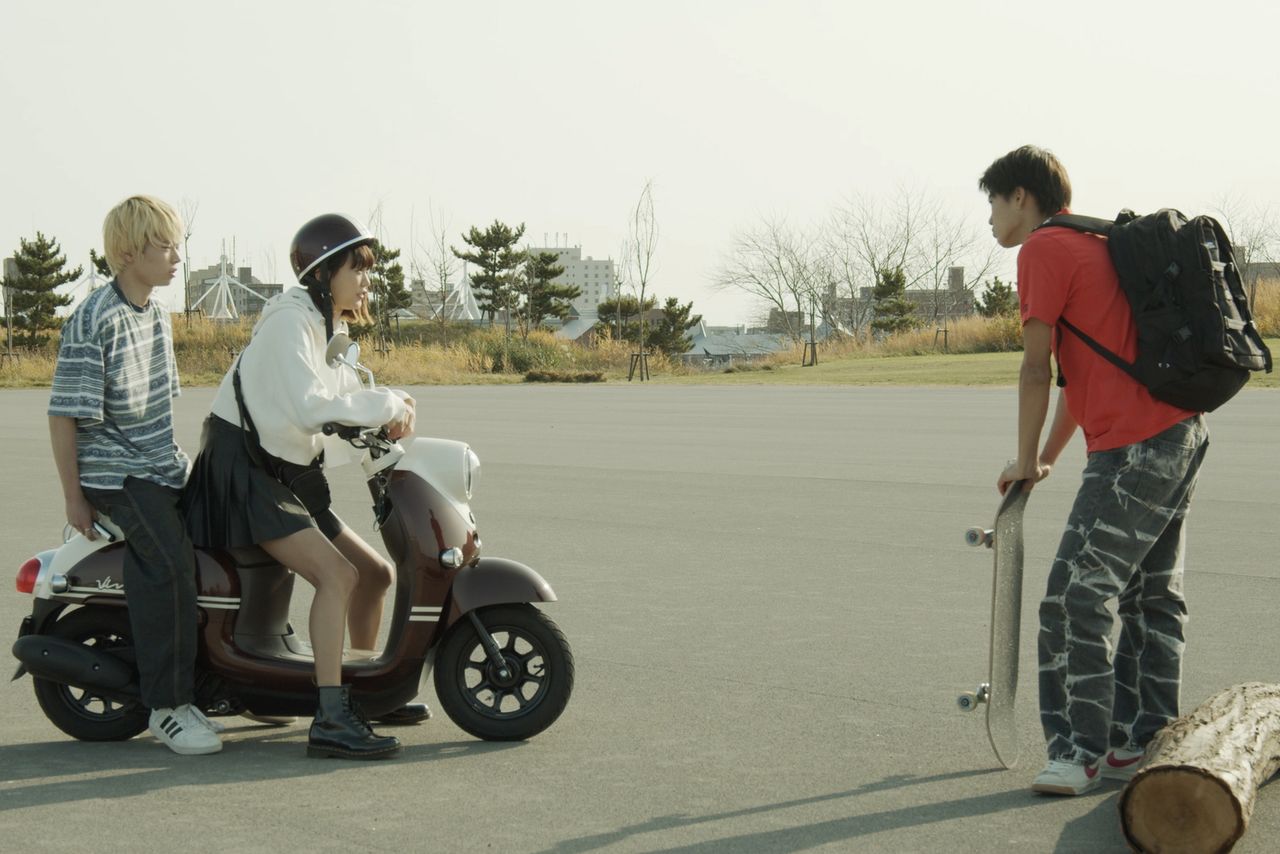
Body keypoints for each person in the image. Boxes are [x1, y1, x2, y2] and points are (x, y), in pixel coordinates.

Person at [979, 145, 1209, 796]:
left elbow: (1035, 369)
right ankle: (1144, 744)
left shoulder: (1043, 250)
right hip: (1182, 431)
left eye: (993, 204)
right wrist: (1046, 458)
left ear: (1021, 196)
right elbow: (1088, 375)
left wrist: (1022, 459)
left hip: (1134, 449)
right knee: (1151, 598)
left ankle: (1078, 750)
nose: (991, 220)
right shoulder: (1100, 242)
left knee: (1072, 599)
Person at [183, 213, 422, 759]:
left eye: (368, 270)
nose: (366, 280)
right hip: (243, 473)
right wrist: (387, 403)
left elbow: (343, 403)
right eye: (355, 269)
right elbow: (313, 406)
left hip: (282, 473)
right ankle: (331, 715)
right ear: (321, 274)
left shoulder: (326, 326)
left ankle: (365, 694)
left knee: (376, 574)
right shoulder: (290, 322)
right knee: (338, 575)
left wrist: (393, 401)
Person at [48, 195, 222, 755]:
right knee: (169, 564)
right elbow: (63, 413)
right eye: (165, 246)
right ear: (128, 252)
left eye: (178, 245)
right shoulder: (94, 316)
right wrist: (74, 499)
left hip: (157, 465)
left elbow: (156, 411)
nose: (177, 257)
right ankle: (167, 706)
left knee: (234, 526)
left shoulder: (157, 317)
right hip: (114, 472)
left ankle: (224, 678)